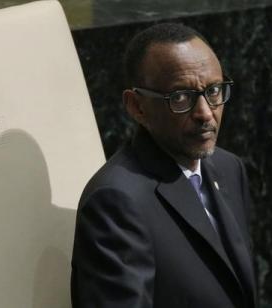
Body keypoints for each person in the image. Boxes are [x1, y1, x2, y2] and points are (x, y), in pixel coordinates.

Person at [71, 23, 257, 308]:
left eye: (214, 91)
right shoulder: (115, 201)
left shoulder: (229, 167)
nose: (205, 113)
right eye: (181, 98)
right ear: (137, 107)